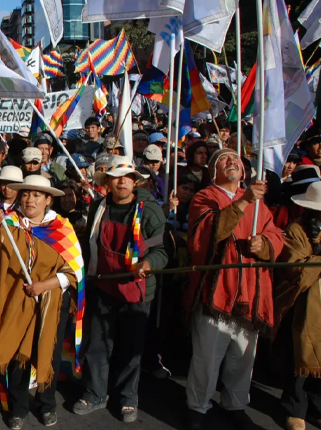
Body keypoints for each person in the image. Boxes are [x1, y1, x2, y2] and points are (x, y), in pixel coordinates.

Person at [185, 148, 284, 430]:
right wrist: (243, 203)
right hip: (215, 294)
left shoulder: (259, 205)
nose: (232, 163)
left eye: (237, 161)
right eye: (225, 160)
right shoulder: (205, 197)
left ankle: (235, 404)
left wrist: (263, 245)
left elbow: (276, 235)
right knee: (207, 359)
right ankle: (197, 407)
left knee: (243, 359)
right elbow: (206, 237)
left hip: (250, 294)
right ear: (214, 170)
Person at [0, 175, 82, 429]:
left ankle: (47, 405)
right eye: (26, 194)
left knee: (47, 353)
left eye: (36, 195)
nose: (29, 199)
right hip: (17, 298)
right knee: (18, 356)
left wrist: (44, 286)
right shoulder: (9, 223)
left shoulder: (61, 227)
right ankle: (19, 408)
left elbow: (74, 271)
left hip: (51, 302)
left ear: (48, 200)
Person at [73, 159, 167, 423]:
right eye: (117, 176)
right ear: (108, 182)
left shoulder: (149, 212)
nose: (122, 181)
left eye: (128, 176)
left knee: (131, 348)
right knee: (98, 345)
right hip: (103, 285)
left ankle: (127, 397)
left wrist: (149, 263)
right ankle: (94, 393)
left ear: (135, 181)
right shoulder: (98, 208)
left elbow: (162, 250)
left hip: (137, 290)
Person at [276, 182, 321, 430]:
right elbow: (297, 271)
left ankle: (317, 407)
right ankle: (295, 409)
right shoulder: (296, 230)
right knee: (299, 356)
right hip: (300, 304)